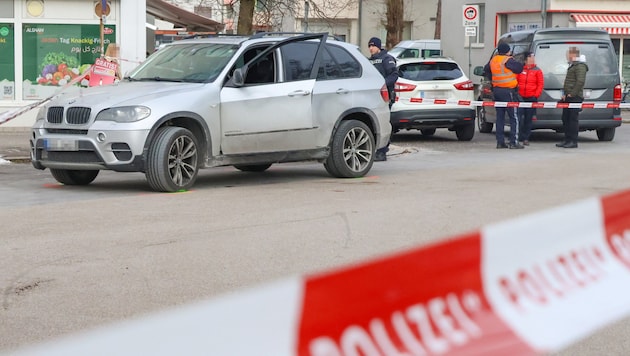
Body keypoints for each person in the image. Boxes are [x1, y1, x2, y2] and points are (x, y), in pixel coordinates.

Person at [483, 42, 524, 149]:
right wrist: (515, 59)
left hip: (497, 90)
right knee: (514, 116)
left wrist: (493, 79)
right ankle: (513, 142)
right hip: (508, 91)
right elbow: (519, 69)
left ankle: (500, 142)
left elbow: (486, 69)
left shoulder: (494, 60)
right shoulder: (508, 60)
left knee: (500, 117)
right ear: (507, 51)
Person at [368, 37, 398, 161]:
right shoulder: (369, 61)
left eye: (373, 46)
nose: (371, 48)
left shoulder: (387, 59)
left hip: (385, 96)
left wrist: (382, 84)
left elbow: (394, 75)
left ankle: (382, 151)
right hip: (372, 96)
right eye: (369, 46)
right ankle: (376, 149)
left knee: (383, 123)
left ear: (379, 47)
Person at [557, 47, 588, 148]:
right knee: (565, 118)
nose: (567, 57)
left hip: (575, 97)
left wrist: (572, 93)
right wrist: (565, 94)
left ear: (573, 55)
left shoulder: (580, 66)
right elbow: (569, 81)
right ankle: (567, 139)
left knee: (572, 119)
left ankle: (573, 141)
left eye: (568, 54)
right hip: (568, 97)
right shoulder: (573, 65)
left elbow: (580, 81)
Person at [516, 51, 544, 145]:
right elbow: (516, 81)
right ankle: (518, 136)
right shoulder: (520, 70)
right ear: (525, 59)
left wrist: (536, 95)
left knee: (528, 119)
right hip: (520, 98)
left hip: (531, 98)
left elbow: (540, 84)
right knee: (519, 118)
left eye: (533, 57)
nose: (532, 59)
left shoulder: (537, 70)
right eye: (530, 57)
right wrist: (517, 93)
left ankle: (526, 138)